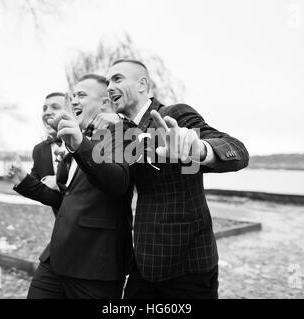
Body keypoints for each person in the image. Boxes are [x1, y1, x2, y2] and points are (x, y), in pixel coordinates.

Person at [55, 59, 249, 298]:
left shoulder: (173, 115)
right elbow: (114, 180)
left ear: (142, 84)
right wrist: (79, 144)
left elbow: (236, 150)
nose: (109, 87)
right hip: (144, 263)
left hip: (189, 267)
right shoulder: (119, 132)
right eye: (107, 82)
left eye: (117, 79)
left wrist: (198, 149)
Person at [25, 74, 134, 299]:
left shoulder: (121, 132)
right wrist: (24, 182)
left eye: (81, 95)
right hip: (55, 258)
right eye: (73, 95)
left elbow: (117, 183)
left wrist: (80, 144)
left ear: (104, 103)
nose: (73, 100)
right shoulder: (77, 137)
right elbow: (69, 197)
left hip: (96, 264)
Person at [7, 92, 68, 215]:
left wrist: (60, 182)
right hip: (63, 225)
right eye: (44, 108)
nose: (47, 112)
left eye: (55, 107)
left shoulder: (86, 140)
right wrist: (22, 179)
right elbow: (52, 197)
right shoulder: (40, 150)